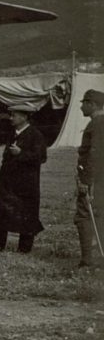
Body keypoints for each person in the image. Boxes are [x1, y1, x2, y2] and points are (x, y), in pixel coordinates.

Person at [0, 102, 47, 253]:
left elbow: (41, 157)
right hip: (8, 183)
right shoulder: (12, 134)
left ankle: (24, 248)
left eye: (14, 115)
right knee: (2, 213)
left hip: (26, 185)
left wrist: (21, 153)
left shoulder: (35, 135)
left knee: (27, 215)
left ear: (24, 117)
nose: (11, 118)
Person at [75, 89, 104, 268]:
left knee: (84, 216)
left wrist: (86, 181)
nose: (80, 107)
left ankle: (88, 260)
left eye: (83, 103)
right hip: (99, 179)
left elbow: (94, 154)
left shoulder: (97, 124)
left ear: (92, 104)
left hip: (95, 180)